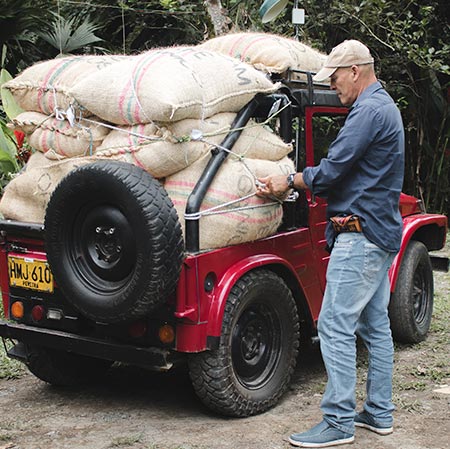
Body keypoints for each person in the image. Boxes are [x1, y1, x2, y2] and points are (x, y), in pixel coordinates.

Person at [257, 39, 405, 447]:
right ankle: (378, 412)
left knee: (335, 324)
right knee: (375, 325)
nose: (332, 85)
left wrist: (288, 181)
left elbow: (332, 170)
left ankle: (339, 422)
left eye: (335, 78)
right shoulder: (384, 107)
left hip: (360, 237)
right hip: (379, 233)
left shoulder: (368, 112)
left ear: (355, 71)